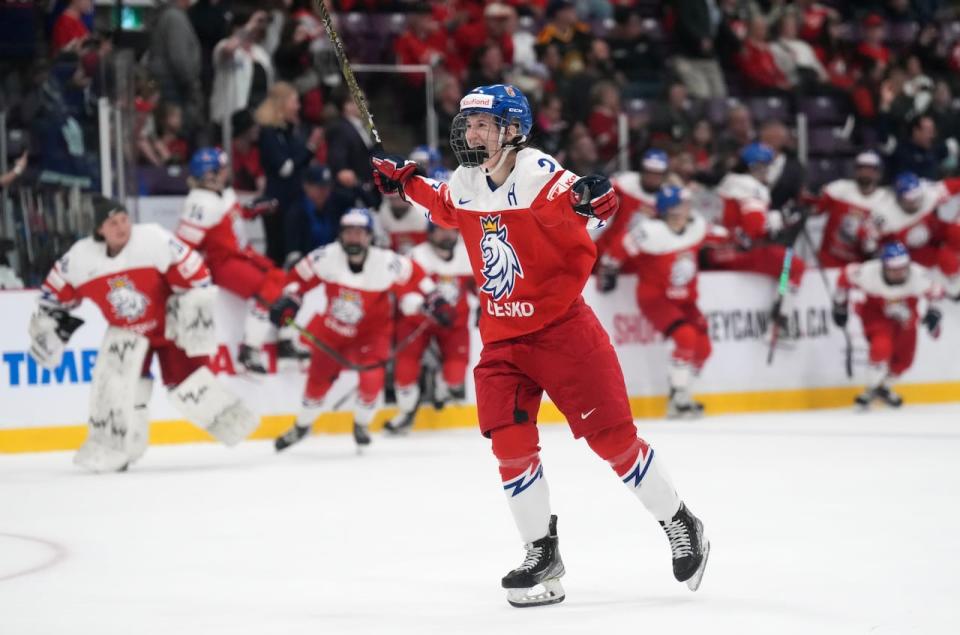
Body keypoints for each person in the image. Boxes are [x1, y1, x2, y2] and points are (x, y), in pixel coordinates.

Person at [370, 84, 709, 607]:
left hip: (562, 332)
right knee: (509, 446)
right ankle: (541, 552)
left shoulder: (537, 173)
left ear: (512, 130)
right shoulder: (465, 180)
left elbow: (583, 200)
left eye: (483, 124)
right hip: (503, 339)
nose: (470, 132)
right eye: (468, 123)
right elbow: (443, 205)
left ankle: (679, 520)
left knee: (614, 444)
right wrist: (406, 182)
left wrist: (597, 196)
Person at [29, 195, 258, 472]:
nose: (121, 227)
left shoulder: (153, 240)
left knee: (191, 387)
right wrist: (50, 326)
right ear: (100, 229)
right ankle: (117, 449)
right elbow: (51, 297)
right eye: (112, 222)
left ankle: (232, 419)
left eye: (124, 219)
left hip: (169, 329)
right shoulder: (80, 258)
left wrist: (193, 311)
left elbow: (198, 276)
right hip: (127, 334)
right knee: (120, 393)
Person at [269, 208, 450, 451]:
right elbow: (298, 278)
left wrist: (434, 297)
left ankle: (361, 425)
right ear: (341, 235)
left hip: (372, 335)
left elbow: (416, 275)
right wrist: (290, 299)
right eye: (349, 232)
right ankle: (302, 426)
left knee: (371, 382)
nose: (354, 237)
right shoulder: (327, 257)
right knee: (315, 385)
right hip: (332, 331)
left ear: (370, 236)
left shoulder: (385, 262)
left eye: (360, 233)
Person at [176, 147, 306, 374]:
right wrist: (191, 278)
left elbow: (230, 217)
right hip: (223, 263)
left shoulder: (222, 193)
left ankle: (286, 340)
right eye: (222, 169)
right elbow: (184, 246)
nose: (226, 173)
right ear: (210, 174)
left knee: (287, 281)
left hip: (242, 255)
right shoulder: (200, 204)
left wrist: (250, 210)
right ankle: (249, 350)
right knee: (270, 287)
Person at [603, 186, 728, 417]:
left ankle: (683, 392)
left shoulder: (696, 227)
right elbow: (619, 249)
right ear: (668, 211)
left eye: (686, 205)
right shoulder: (650, 232)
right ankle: (677, 398)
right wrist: (609, 269)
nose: (686, 209)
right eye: (680, 205)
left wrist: (739, 236)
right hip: (655, 298)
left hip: (686, 300)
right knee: (686, 337)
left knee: (704, 349)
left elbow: (720, 236)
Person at [384, 223, 474, 434]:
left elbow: (482, 285)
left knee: (455, 376)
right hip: (418, 321)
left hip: (454, 322)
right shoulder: (416, 256)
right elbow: (403, 294)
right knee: (404, 369)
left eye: (451, 229)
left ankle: (441, 389)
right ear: (431, 232)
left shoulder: (469, 252)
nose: (446, 234)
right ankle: (406, 412)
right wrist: (422, 305)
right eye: (440, 229)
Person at [832, 242, 944, 409]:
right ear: (883, 266)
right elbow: (844, 277)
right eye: (894, 270)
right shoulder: (868, 273)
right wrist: (840, 305)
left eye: (902, 268)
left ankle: (884, 387)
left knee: (905, 360)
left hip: (906, 319)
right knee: (881, 347)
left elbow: (936, 292)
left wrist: (934, 312)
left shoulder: (918, 276)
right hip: (876, 316)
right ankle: (871, 388)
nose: (899, 273)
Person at [710, 142, 807, 325]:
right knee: (792, 265)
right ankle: (782, 316)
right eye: (764, 166)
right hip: (738, 253)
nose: (767, 171)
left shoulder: (730, 181)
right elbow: (755, 229)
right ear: (754, 167)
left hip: (718, 251)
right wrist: (782, 220)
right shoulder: (750, 187)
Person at [874, 172, 960, 299]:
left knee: (956, 232)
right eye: (909, 201)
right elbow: (874, 243)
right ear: (898, 198)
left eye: (917, 199)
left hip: (933, 229)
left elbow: (951, 185)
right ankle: (954, 287)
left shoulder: (928, 193)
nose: (915, 204)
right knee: (947, 259)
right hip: (914, 251)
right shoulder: (886, 216)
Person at [595, 148, 670, 288]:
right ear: (642, 170)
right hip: (603, 251)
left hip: (637, 264)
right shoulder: (624, 183)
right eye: (649, 172)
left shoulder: (668, 198)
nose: (652, 177)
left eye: (657, 174)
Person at [815, 151, 892, 267]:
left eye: (870, 169)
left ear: (878, 173)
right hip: (829, 261)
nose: (865, 173)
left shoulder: (886, 199)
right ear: (856, 171)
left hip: (861, 266)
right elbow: (815, 208)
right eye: (861, 168)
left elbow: (886, 234)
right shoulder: (839, 189)